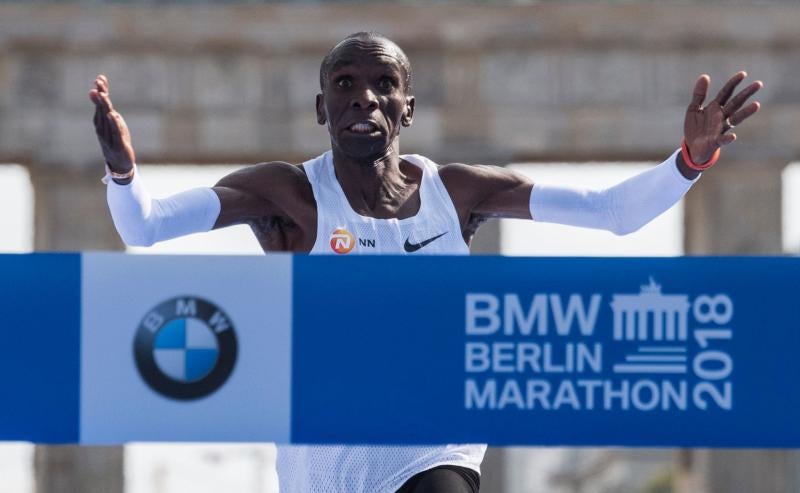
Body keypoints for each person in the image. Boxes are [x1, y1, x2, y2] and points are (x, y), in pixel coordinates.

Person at [90, 32, 762, 493]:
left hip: (434, 444)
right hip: (323, 459)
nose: (364, 97)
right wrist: (123, 174)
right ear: (323, 109)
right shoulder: (287, 195)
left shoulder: (456, 192)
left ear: (407, 108)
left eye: (384, 84)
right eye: (345, 84)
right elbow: (145, 227)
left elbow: (612, 211)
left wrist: (688, 163)